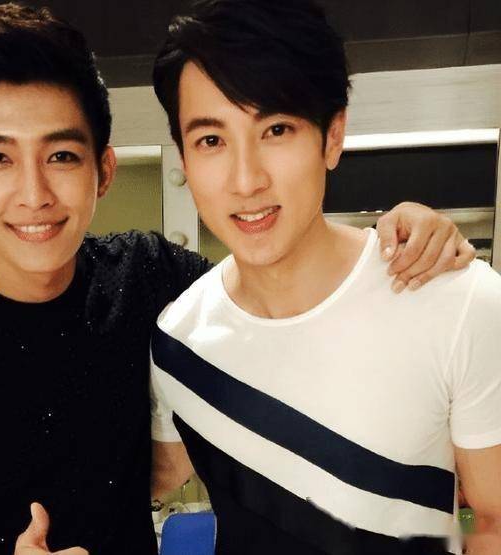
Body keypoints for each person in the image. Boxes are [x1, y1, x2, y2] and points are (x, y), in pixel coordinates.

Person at [0, 3, 475, 555]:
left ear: (103, 170)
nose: (33, 193)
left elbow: (277, 291)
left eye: (62, 155)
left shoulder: (148, 276)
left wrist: (400, 232)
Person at [147, 1, 501, 554]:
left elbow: (493, 520)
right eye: (211, 140)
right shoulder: (177, 341)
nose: (246, 180)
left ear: (332, 136)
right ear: (184, 159)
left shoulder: (458, 301)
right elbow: (139, 480)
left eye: (276, 129)